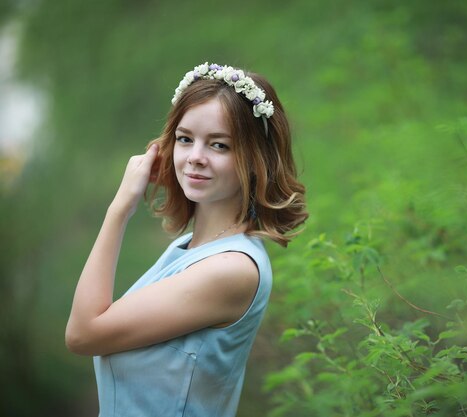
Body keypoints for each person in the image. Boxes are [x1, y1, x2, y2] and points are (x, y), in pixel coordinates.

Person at [65, 62, 308, 417]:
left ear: (256, 160)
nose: (195, 158)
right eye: (185, 139)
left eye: (219, 145)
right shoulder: (188, 249)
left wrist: (119, 209)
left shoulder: (231, 269)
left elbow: (83, 334)